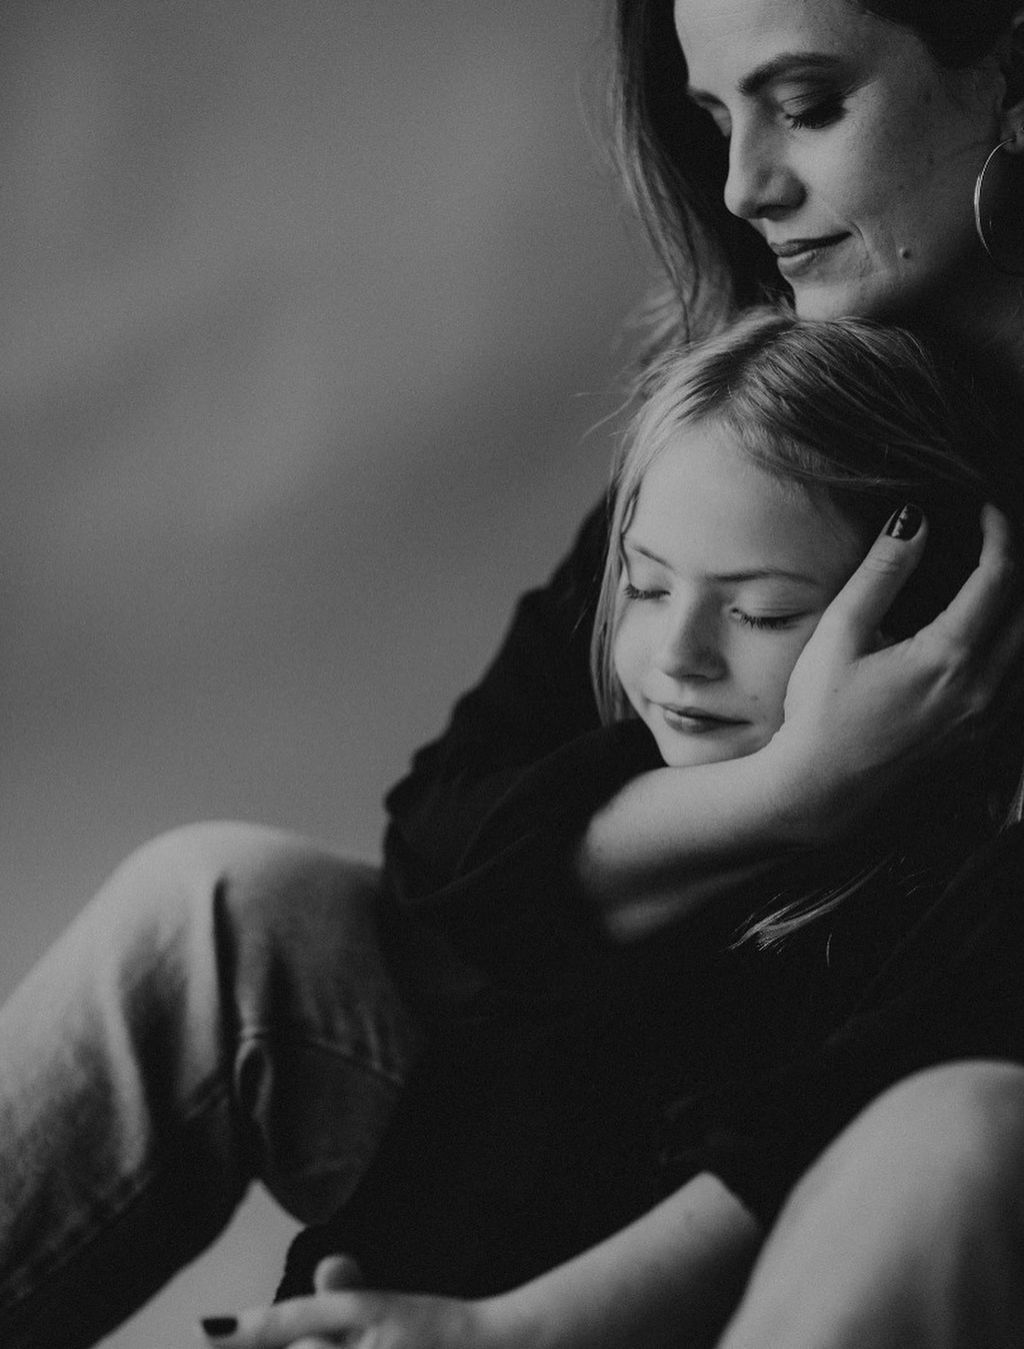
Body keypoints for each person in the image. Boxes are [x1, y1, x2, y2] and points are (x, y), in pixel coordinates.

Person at [0, 0, 1024, 1345]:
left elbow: (951, 1027)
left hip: (835, 1193)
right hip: (605, 1099)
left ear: (1009, 71)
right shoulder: (775, 400)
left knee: (964, 1130)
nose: (743, 184)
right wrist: (787, 792)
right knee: (217, 898)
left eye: (807, 103)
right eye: (714, 118)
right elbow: (444, 841)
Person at [248, 307, 1024, 1346]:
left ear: (927, 628)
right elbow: (431, 860)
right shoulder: (625, 831)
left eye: (760, 613)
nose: (678, 655)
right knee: (213, 887)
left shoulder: (933, 913)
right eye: (648, 586)